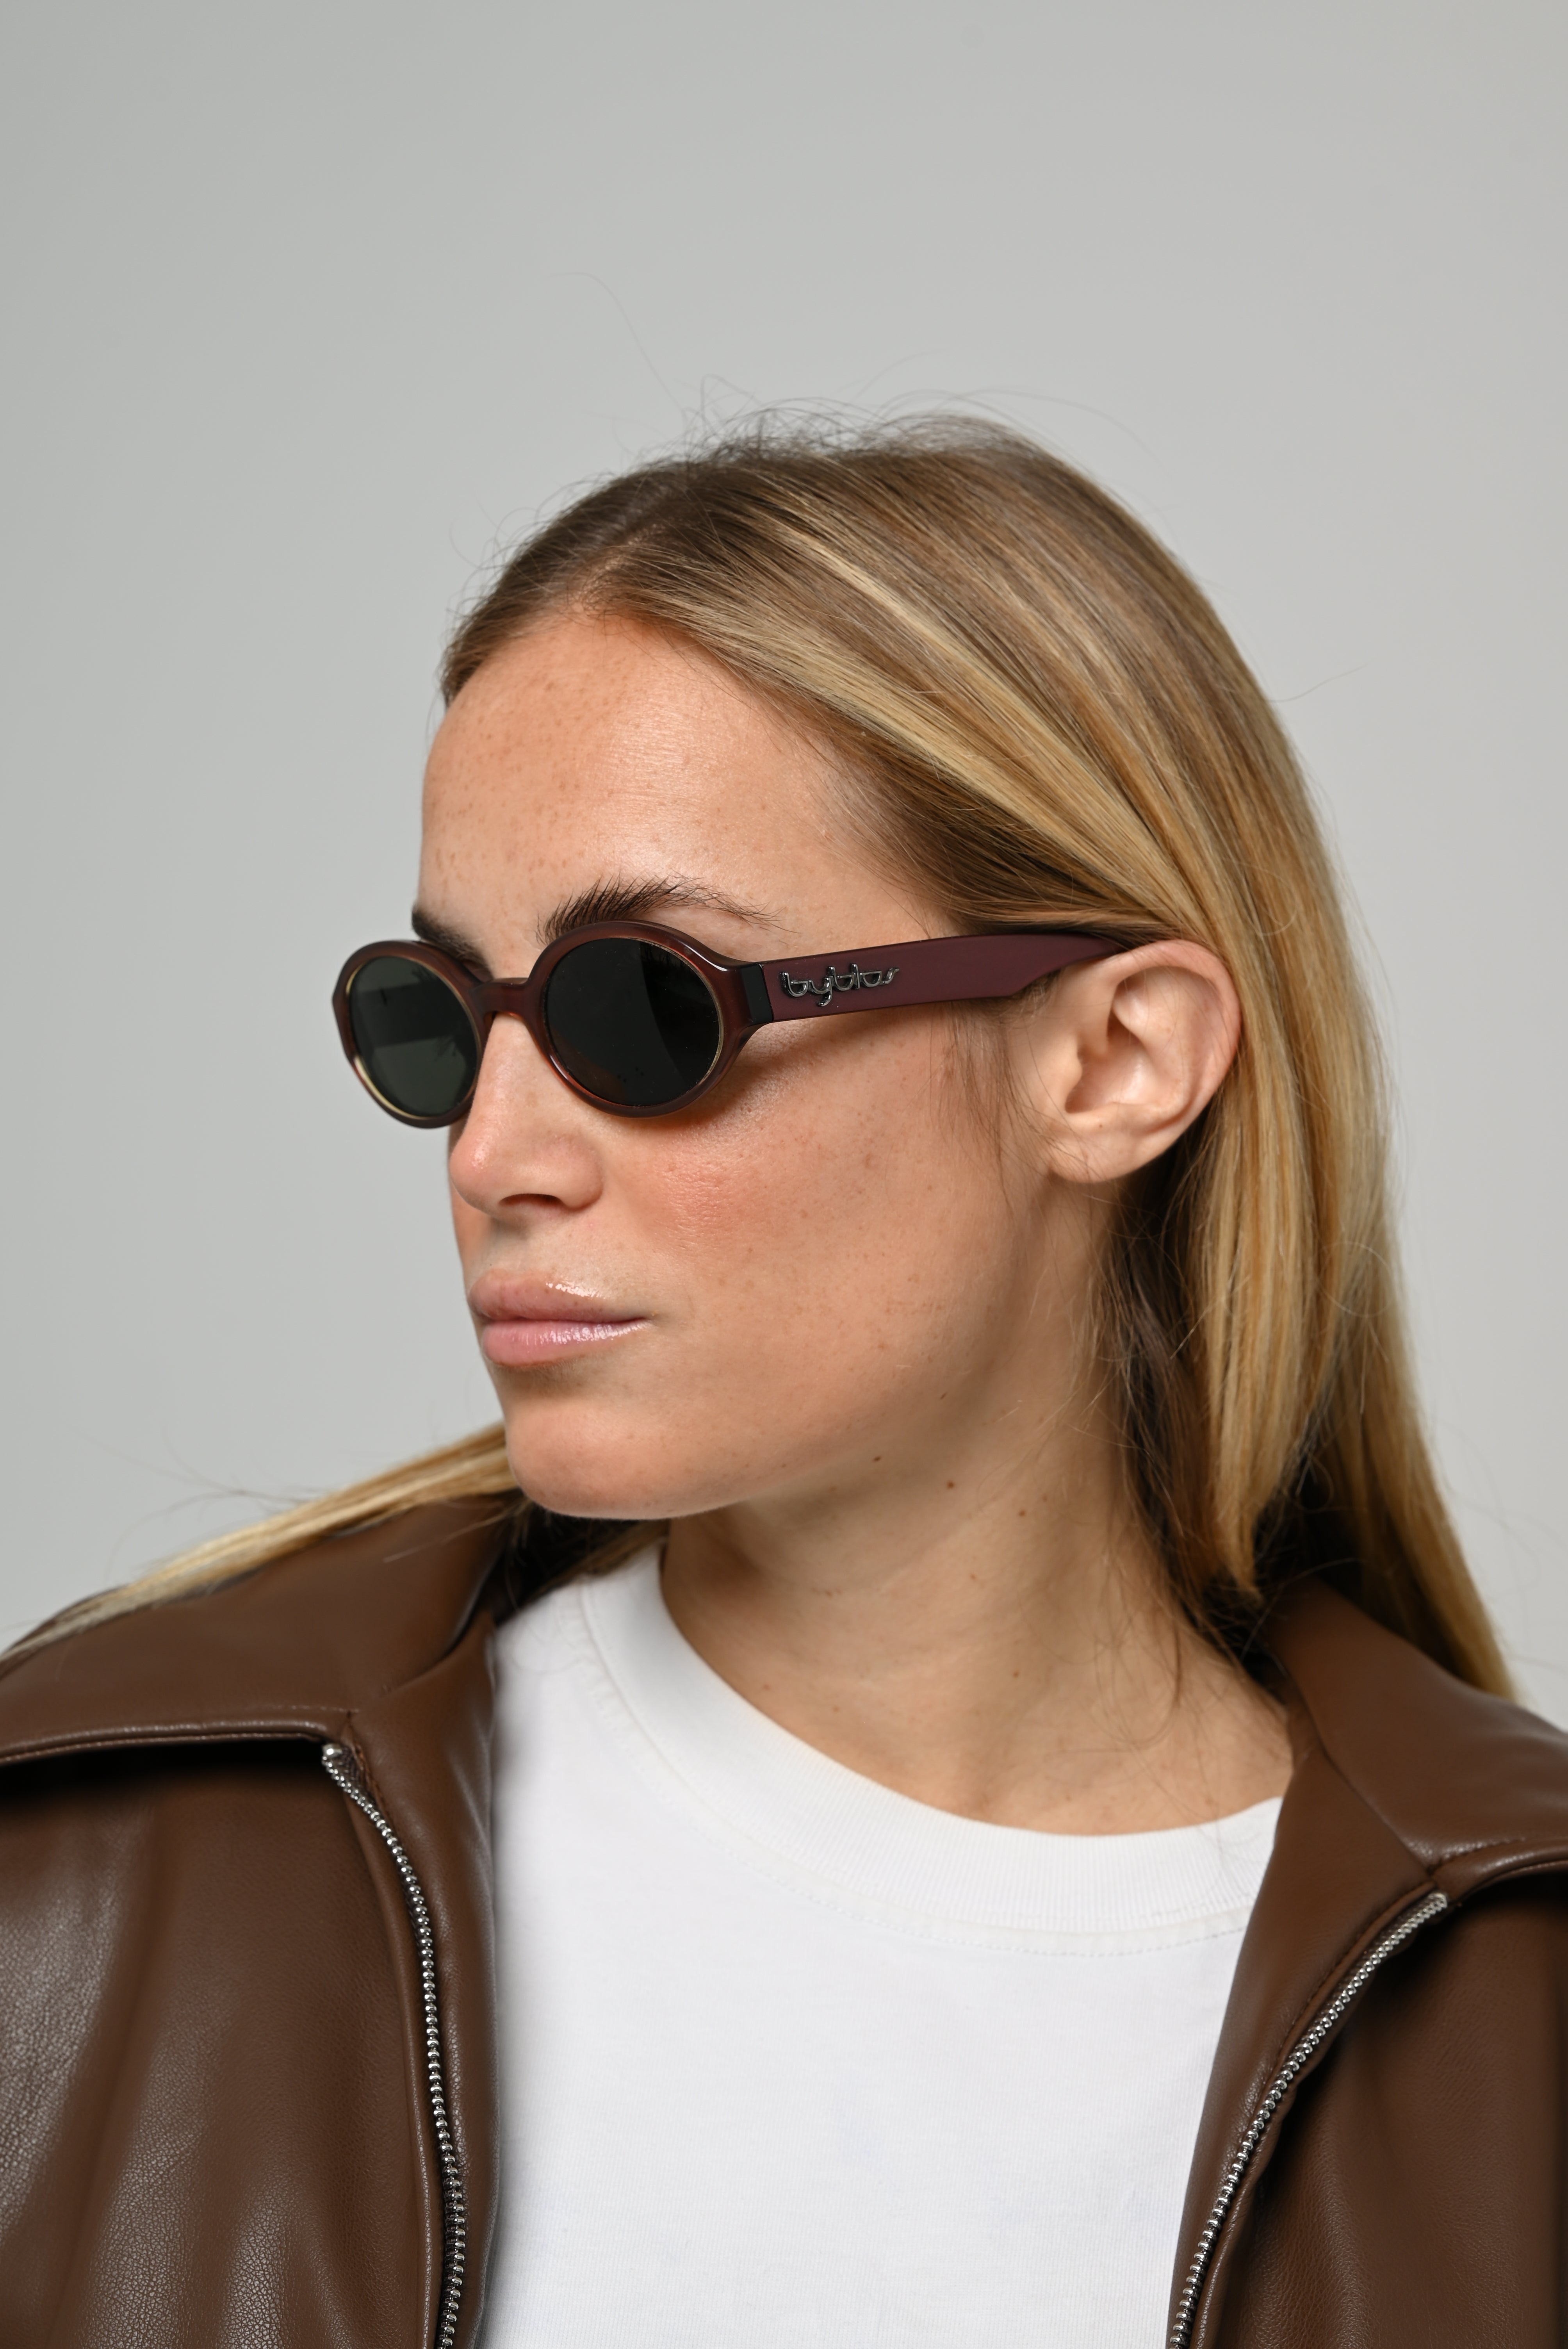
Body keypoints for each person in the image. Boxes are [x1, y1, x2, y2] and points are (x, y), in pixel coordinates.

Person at [2, 420, 1564, 2349]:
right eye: (442, 1021)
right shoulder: (89, 1865)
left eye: (644, 1007)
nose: (492, 1153)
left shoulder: (1516, 2013)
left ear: (1110, 1063)